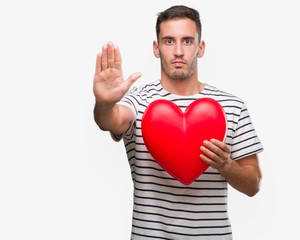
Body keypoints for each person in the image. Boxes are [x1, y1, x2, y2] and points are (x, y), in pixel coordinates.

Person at [93, 5, 263, 240]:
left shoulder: (232, 106)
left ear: (200, 48)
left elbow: (253, 185)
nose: (179, 51)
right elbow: (111, 120)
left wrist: (226, 165)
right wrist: (103, 103)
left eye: (187, 41)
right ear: (156, 48)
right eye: (169, 41)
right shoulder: (139, 101)